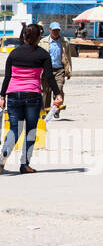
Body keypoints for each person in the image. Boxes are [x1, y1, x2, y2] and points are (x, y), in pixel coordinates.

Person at [1, 23, 61, 173]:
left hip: (13, 95)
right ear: (39, 37)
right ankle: (25, 164)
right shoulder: (42, 54)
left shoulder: (14, 53)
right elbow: (49, 77)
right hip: (32, 96)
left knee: (14, 129)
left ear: (24, 36)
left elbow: (7, 77)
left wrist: (2, 96)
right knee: (30, 131)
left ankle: (3, 156)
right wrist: (57, 94)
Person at [40, 21, 72, 119]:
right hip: (46, 70)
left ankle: (56, 109)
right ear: (50, 30)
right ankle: (45, 110)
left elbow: (68, 56)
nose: (56, 32)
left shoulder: (64, 41)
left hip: (60, 70)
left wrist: (69, 70)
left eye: (58, 30)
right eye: (54, 30)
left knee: (59, 89)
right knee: (46, 91)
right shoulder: (43, 41)